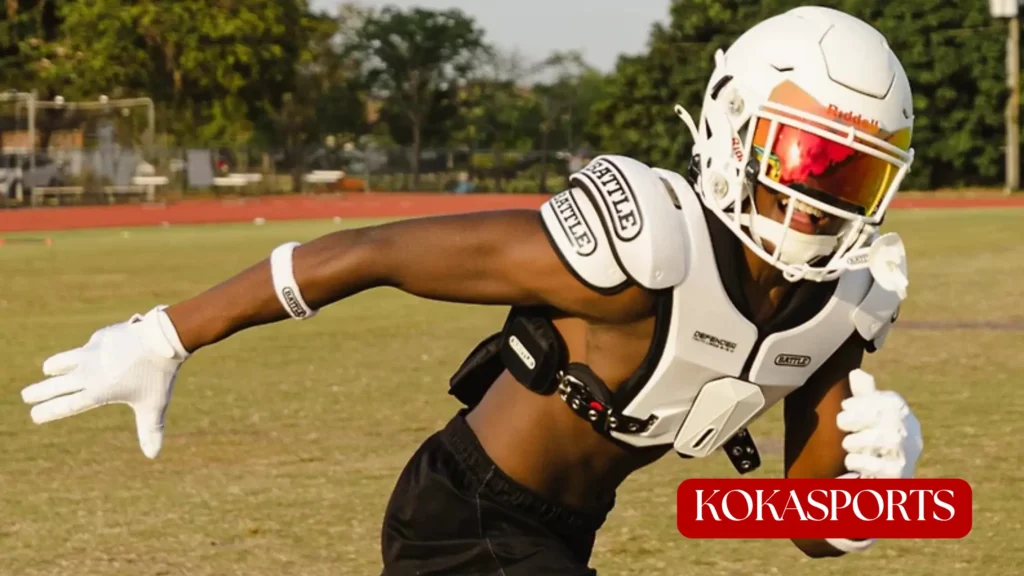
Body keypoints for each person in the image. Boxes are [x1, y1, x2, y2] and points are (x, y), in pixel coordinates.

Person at [20, 6, 924, 575]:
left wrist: (878, 485)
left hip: (560, 535)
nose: (814, 200)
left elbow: (811, 527)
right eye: (806, 160)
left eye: (851, 179)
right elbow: (371, 251)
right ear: (735, 128)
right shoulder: (642, 250)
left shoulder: (838, 306)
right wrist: (165, 335)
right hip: (460, 514)